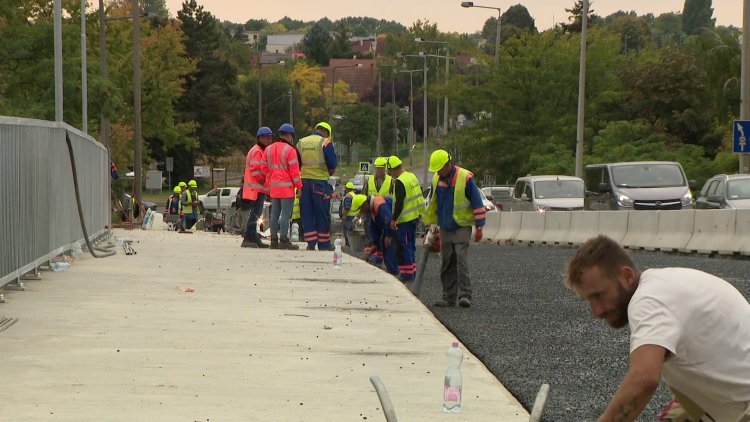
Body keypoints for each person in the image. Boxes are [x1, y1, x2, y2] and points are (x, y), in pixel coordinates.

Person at [564, 235, 750, 422]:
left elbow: (644, 379)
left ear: (627, 276)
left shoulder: (647, 301)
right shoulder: (666, 284)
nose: (596, 311)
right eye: (589, 300)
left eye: (599, 295)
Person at [422, 150, 485, 308]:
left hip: (462, 226)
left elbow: (477, 203)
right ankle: (448, 297)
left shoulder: (465, 177)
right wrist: (433, 224)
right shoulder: (437, 179)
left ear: (447, 164)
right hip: (445, 226)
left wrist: (479, 227)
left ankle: (465, 295)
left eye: (439, 169)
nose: (438, 172)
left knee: (460, 259)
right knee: (447, 261)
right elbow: (434, 202)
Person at [297, 121, 337, 251]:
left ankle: (311, 242)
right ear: (326, 132)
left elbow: (296, 161)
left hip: (303, 182)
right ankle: (324, 243)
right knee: (321, 213)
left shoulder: (301, 142)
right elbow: (332, 163)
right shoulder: (325, 143)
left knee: (306, 213)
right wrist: (330, 171)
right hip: (319, 182)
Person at [262, 123, 302, 250]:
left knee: (274, 214)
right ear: (289, 135)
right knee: (285, 214)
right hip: (287, 188)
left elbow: (263, 168)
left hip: (274, 187)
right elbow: (295, 172)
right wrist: (299, 187)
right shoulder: (290, 150)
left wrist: (270, 178)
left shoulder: (269, 149)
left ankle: (273, 241)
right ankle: (283, 240)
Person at [387, 155, 423, 282]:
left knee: (405, 245)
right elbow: (419, 194)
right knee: (411, 245)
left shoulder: (400, 182)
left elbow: (399, 203)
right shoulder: (411, 176)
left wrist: (394, 219)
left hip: (405, 219)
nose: (390, 174)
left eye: (390, 171)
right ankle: (412, 271)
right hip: (415, 216)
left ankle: (407, 274)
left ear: (394, 169)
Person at [350, 194, 399, 277]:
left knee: (389, 245)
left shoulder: (379, 205)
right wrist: (375, 244)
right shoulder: (371, 210)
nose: (362, 212)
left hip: (396, 225)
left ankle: (393, 272)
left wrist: (389, 235)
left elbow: (388, 220)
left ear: (365, 204)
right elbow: (374, 228)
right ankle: (390, 270)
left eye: (361, 209)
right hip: (391, 226)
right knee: (384, 243)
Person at [241, 127, 273, 248]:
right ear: (259, 138)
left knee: (256, 213)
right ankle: (248, 238)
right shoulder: (257, 151)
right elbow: (255, 170)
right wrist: (263, 180)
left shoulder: (259, 150)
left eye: (270, 137)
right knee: (255, 213)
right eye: (266, 137)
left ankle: (253, 237)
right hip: (256, 188)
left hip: (258, 188)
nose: (268, 140)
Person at [339, 182, 356, 247]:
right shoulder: (354, 195)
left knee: (347, 230)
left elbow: (347, 207)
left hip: (348, 216)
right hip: (353, 216)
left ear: (347, 188)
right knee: (352, 230)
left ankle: (348, 244)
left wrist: (344, 215)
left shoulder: (348, 196)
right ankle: (352, 243)